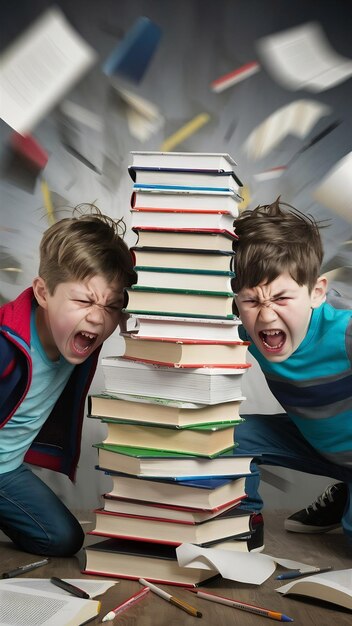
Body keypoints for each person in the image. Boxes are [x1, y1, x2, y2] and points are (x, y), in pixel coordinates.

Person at [0, 205, 136, 556]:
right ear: (43, 293)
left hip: (6, 472)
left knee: (64, 539)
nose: (96, 318)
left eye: (111, 306)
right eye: (83, 300)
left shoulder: (81, 337)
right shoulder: (5, 341)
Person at [232, 197, 352, 540]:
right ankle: (240, 529)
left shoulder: (345, 330)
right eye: (252, 301)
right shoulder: (243, 324)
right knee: (225, 435)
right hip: (318, 444)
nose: (266, 316)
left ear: (316, 293)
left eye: (281, 299)